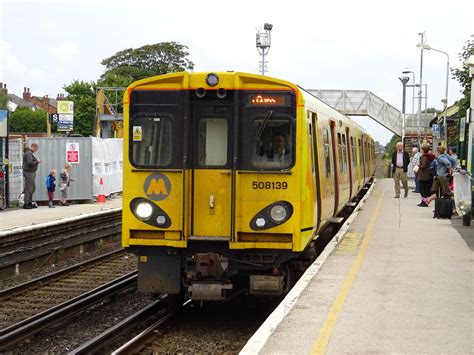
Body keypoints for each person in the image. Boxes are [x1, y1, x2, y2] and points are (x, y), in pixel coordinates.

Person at [22, 143, 42, 209]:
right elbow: (29, 162)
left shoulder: (30, 153)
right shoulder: (28, 153)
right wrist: (37, 162)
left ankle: (29, 202)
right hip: (29, 172)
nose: (36, 150)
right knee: (29, 187)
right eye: (36, 148)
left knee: (32, 187)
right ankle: (26, 203)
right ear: (33, 147)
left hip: (31, 172)